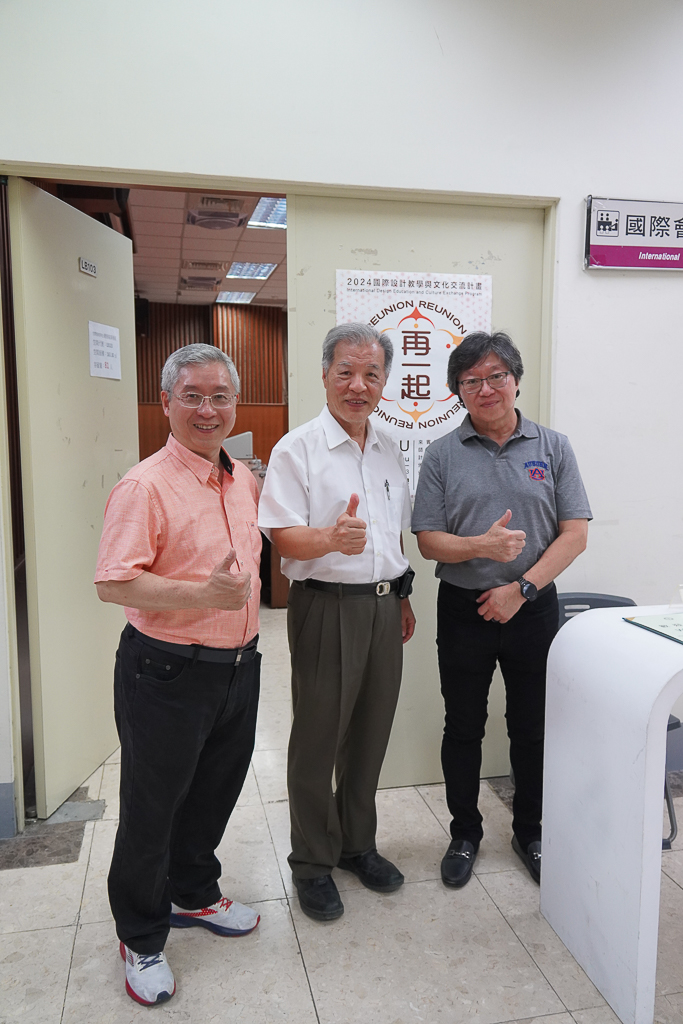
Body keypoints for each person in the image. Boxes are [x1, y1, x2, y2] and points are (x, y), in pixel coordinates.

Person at [95, 344, 262, 1007]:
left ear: (234, 404)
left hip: (239, 665)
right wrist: (202, 597)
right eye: (192, 395)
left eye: (219, 396)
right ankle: (139, 934)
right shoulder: (144, 486)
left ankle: (192, 893)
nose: (207, 409)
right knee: (152, 808)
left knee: (214, 792)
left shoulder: (241, 479)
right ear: (166, 402)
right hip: (165, 671)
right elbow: (114, 582)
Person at [412, 331, 591, 888]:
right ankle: (464, 833)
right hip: (463, 610)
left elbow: (575, 534)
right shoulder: (442, 454)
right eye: (471, 381)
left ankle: (530, 832)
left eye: (496, 376)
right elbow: (428, 540)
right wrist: (481, 547)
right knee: (463, 726)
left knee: (531, 727)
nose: (485, 388)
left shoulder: (553, 447)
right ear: (457, 391)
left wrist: (522, 589)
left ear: (515, 380)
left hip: (532, 609)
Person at [258, 322, 416, 921]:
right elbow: (282, 538)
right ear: (324, 374)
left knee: (370, 734)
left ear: (384, 382)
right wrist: (329, 538)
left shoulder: (389, 447)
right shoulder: (296, 449)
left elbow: (393, 535)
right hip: (326, 607)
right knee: (317, 740)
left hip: (383, 607)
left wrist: (401, 594)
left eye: (371, 374)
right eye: (346, 372)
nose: (358, 385)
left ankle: (356, 845)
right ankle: (311, 862)